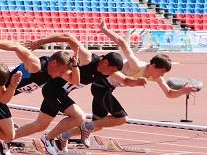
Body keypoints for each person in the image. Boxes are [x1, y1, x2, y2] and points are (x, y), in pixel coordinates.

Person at [69, 20, 199, 146]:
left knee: (98, 125)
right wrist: (105, 30)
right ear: (153, 66)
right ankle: (85, 128)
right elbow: (122, 43)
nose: (162, 75)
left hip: (107, 89)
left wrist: (183, 91)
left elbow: (169, 93)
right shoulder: (136, 66)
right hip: (101, 85)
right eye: (162, 71)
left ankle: (64, 135)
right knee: (120, 118)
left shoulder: (157, 78)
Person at [0, 37, 79, 155]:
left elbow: (75, 81)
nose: (61, 75)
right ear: (53, 63)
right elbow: (16, 46)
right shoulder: (35, 65)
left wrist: (74, 66)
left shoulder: (54, 71)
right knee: (8, 135)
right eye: (61, 71)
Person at [17, 33, 136, 155]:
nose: (110, 74)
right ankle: (48, 139)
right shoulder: (88, 58)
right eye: (111, 71)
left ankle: (7, 139)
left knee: (39, 125)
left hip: (60, 93)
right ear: (105, 62)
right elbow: (68, 37)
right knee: (79, 117)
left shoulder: (107, 72)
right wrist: (40, 42)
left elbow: (125, 80)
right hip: (53, 90)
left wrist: (138, 81)